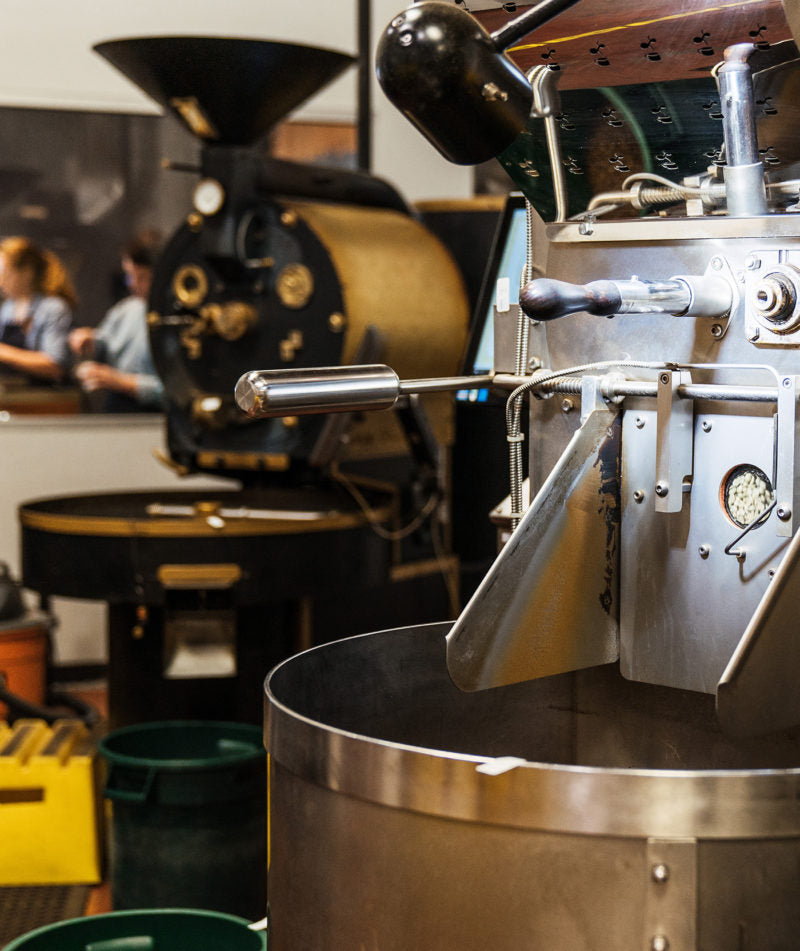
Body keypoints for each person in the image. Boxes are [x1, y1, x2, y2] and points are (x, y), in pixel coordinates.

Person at [69, 234, 164, 413]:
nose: (133, 284)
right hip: (118, 408)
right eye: (130, 276)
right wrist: (90, 340)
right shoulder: (127, 309)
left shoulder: (178, 319)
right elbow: (105, 339)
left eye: (142, 277)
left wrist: (120, 382)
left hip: (155, 417)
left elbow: (177, 392)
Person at [0, 237, 76, 383]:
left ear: (26, 272)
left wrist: (4, 352)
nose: (0, 280)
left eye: (4, 271)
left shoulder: (52, 308)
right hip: (15, 394)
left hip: (46, 399)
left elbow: (55, 365)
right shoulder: (8, 308)